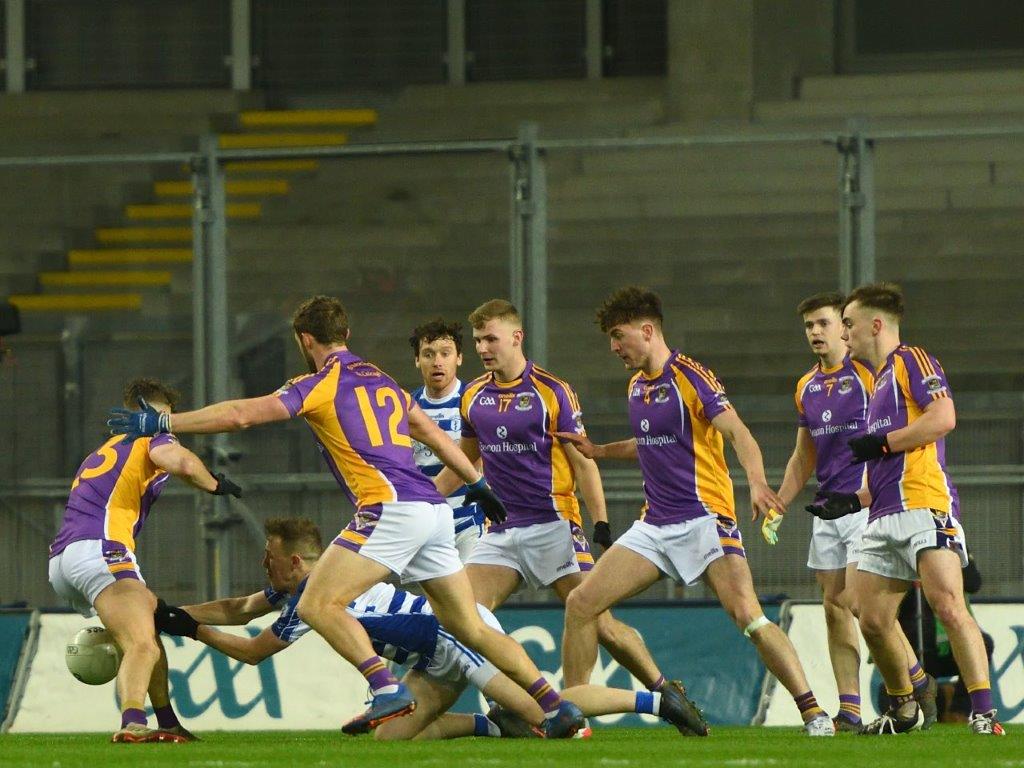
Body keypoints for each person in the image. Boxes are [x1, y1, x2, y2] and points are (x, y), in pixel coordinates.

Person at [107, 295, 583, 737]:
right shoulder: (383, 380)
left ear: (305, 340)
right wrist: (475, 482)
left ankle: (384, 687)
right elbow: (434, 437)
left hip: (389, 507)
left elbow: (241, 415)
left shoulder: (318, 383)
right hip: (433, 511)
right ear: (346, 333)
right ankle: (554, 705)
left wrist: (165, 422)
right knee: (472, 627)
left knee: (317, 604)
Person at [554, 286, 834, 736]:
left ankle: (814, 713)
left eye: (618, 335)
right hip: (655, 524)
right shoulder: (637, 386)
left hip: (706, 519)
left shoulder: (691, 376)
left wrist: (758, 484)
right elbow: (648, 443)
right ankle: (572, 715)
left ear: (647, 330)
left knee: (749, 615)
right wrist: (600, 450)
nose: (614, 346)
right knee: (581, 603)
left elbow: (739, 433)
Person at [154, 517, 708, 739]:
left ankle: (659, 702)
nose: (263, 566)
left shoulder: (314, 596)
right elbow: (239, 607)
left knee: (554, 707)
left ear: (298, 564)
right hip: (427, 661)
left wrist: (188, 630)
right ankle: (497, 729)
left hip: (457, 638)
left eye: (269, 558)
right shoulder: (297, 589)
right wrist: (172, 614)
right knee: (390, 739)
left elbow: (253, 650)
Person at [433, 299, 689, 720]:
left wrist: (600, 521)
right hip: (500, 532)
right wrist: (419, 496)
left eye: (490, 338)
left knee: (600, 622)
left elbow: (583, 462)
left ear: (516, 337)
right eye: (478, 340)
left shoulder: (552, 391)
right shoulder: (474, 395)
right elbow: (464, 463)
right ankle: (517, 707)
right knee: (463, 618)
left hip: (553, 526)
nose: (482, 347)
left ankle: (664, 692)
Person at [808, 282, 1003, 736]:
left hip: (923, 504)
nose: (845, 334)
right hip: (882, 514)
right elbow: (884, 466)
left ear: (875, 325)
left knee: (949, 605)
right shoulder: (875, 384)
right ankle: (907, 708)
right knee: (868, 615)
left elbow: (943, 418)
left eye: (850, 324)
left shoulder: (912, 360)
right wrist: (849, 501)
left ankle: (984, 713)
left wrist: (882, 441)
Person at [769, 291, 936, 731]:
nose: (816, 333)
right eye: (809, 326)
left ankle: (913, 685)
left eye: (824, 323)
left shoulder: (871, 375)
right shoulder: (806, 385)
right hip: (829, 508)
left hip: (867, 503)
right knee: (834, 607)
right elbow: (803, 455)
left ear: (845, 328)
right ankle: (852, 708)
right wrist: (780, 500)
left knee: (863, 606)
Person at [50, 378, 240, 743]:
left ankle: (167, 720)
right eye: (168, 418)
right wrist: (214, 483)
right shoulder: (154, 436)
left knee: (150, 626)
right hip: (102, 551)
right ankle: (133, 720)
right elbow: (178, 460)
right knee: (142, 644)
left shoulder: (107, 448)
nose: (172, 427)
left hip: (64, 559)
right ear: (154, 413)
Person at [408, 318, 485, 562]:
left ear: (459, 358)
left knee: (470, 598)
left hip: (468, 522)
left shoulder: (475, 400)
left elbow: (479, 460)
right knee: (437, 602)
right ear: (417, 360)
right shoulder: (406, 408)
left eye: (445, 353)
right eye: (428, 354)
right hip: (425, 527)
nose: (437, 361)